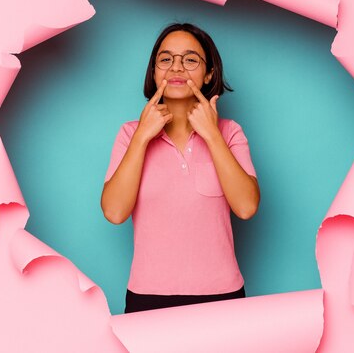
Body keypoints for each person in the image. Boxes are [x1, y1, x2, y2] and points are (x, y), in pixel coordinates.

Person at [101, 22, 260, 313]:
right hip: (147, 297)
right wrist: (141, 138)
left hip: (222, 296)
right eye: (165, 59)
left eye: (190, 60)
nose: (176, 68)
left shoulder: (230, 132)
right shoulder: (129, 134)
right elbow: (114, 212)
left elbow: (247, 206)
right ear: (154, 72)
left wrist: (212, 135)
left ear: (209, 73)